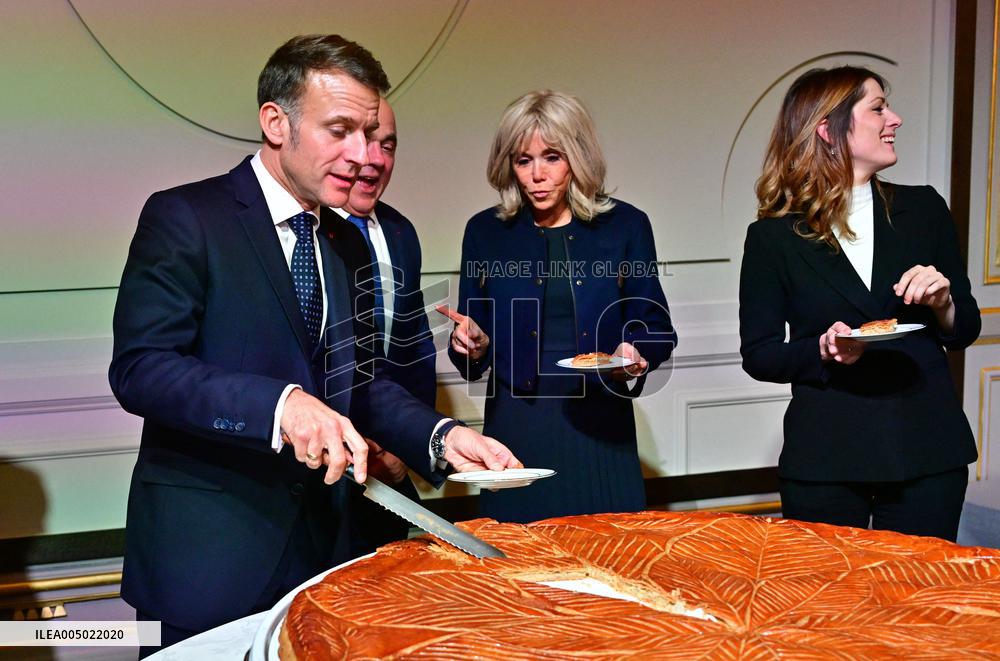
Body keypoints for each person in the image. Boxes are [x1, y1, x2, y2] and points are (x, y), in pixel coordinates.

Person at [108, 34, 520, 655]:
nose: (361, 154)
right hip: (209, 560)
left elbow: (359, 380)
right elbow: (142, 370)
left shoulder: (347, 242)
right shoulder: (185, 219)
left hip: (325, 557)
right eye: (340, 130)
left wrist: (440, 437)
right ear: (275, 122)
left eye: (371, 132)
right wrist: (282, 405)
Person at [739, 66, 980, 541]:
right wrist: (823, 350)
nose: (895, 118)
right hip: (827, 458)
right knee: (829, 611)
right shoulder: (772, 237)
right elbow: (760, 354)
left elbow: (965, 327)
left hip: (927, 452)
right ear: (828, 129)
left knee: (918, 608)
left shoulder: (925, 208)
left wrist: (944, 300)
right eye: (877, 108)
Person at [442, 90, 677, 524]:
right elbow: (473, 341)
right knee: (517, 575)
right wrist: (470, 345)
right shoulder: (485, 232)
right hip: (517, 430)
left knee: (610, 565)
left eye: (552, 157)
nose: (536, 175)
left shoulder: (626, 226)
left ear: (578, 157)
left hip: (600, 428)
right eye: (523, 160)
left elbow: (656, 326)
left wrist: (634, 353)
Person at [329, 97, 437, 554]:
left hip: (387, 483)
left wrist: (403, 455)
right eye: (362, 142)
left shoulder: (400, 233)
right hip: (312, 480)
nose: (373, 160)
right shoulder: (296, 235)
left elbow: (411, 356)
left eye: (387, 145)